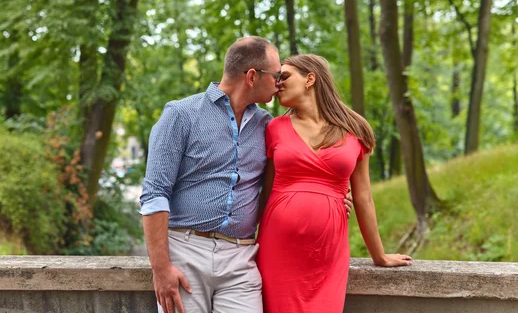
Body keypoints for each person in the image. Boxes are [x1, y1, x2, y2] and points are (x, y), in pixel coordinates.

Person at [140, 37, 352, 313]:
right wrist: (161, 268)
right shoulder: (181, 115)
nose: (279, 83)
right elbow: (155, 194)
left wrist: (334, 196)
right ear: (252, 76)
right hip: (185, 250)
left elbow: (286, 179)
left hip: (241, 257)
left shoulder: (267, 126)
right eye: (276, 75)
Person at [256, 54, 412, 313]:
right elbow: (265, 191)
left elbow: (363, 198)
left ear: (310, 78)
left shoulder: (356, 129)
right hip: (277, 251)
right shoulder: (274, 128)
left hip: (327, 254)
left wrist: (379, 255)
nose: (278, 83)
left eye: (284, 76)